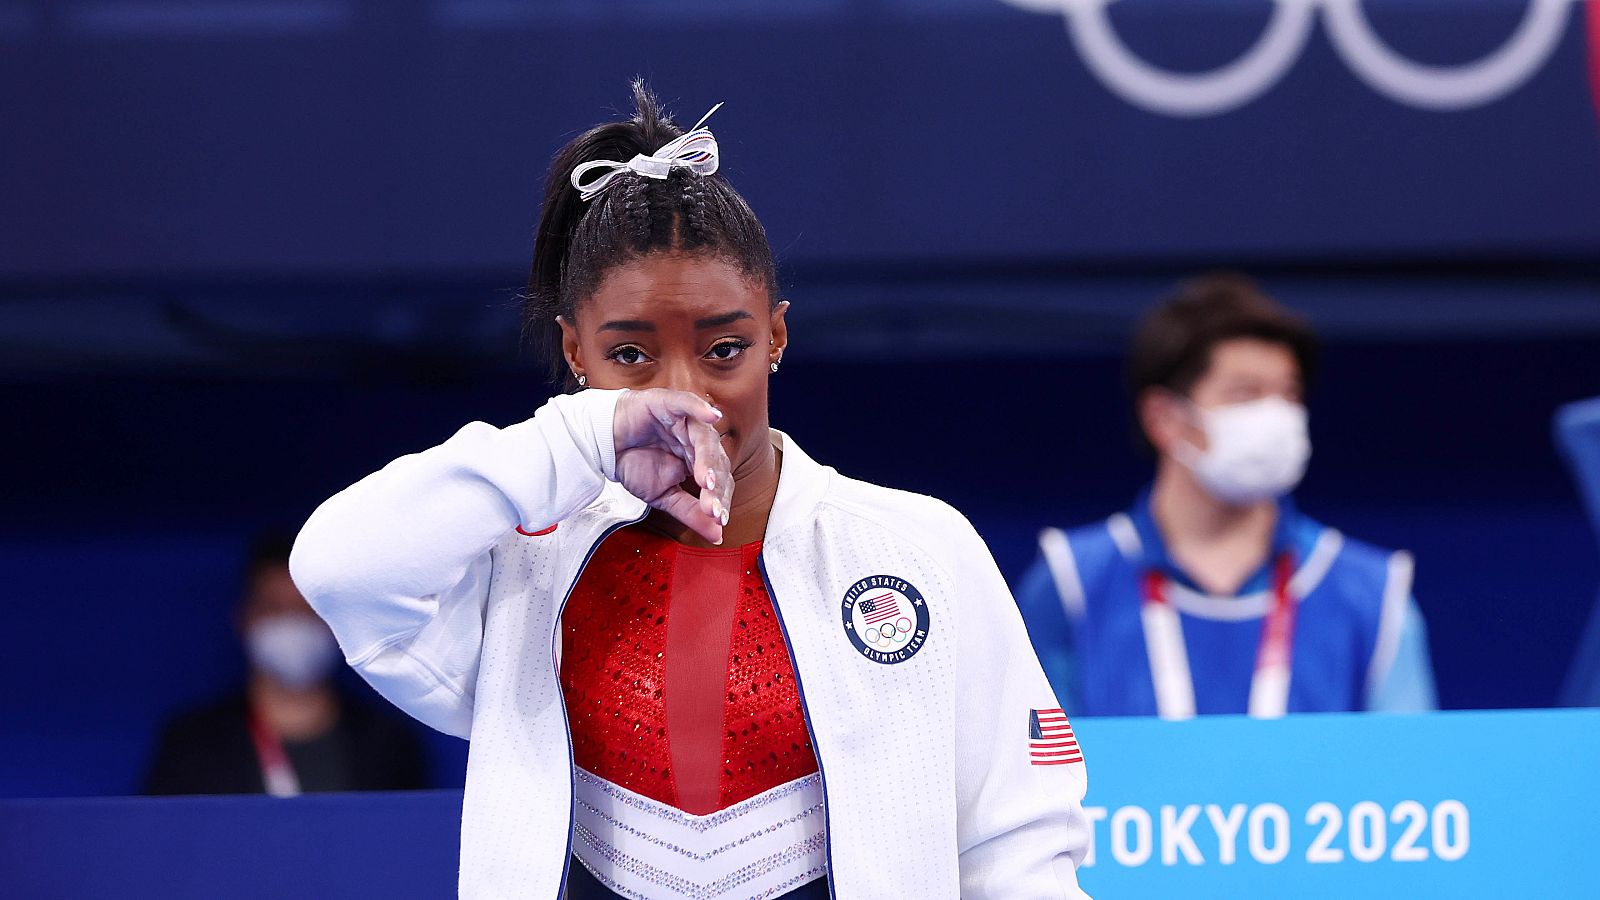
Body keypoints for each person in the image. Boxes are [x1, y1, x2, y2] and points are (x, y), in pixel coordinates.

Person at [288, 82, 1090, 899]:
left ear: (775, 335)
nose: (684, 396)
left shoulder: (919, 548)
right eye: (630, 356)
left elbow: (1018, 850)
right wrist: (574, 441)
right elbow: (337, 569)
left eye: (724, 350)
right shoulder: (526, 560)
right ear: (575, 353)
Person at [1014, 274, 1438, 719]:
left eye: (1289, 394)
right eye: (1245, 394)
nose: (1276, 416)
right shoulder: (1072, 584)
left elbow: (1411, 759)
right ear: (1164, 419)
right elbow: (1032, 756)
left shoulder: (1370, 591)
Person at [144, 533, 427, 796]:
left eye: (307, 608)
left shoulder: (387, 743)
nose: (292, 620)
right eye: (274, 607)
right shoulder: (193, 744)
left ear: (337, 621)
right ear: (244, 618)